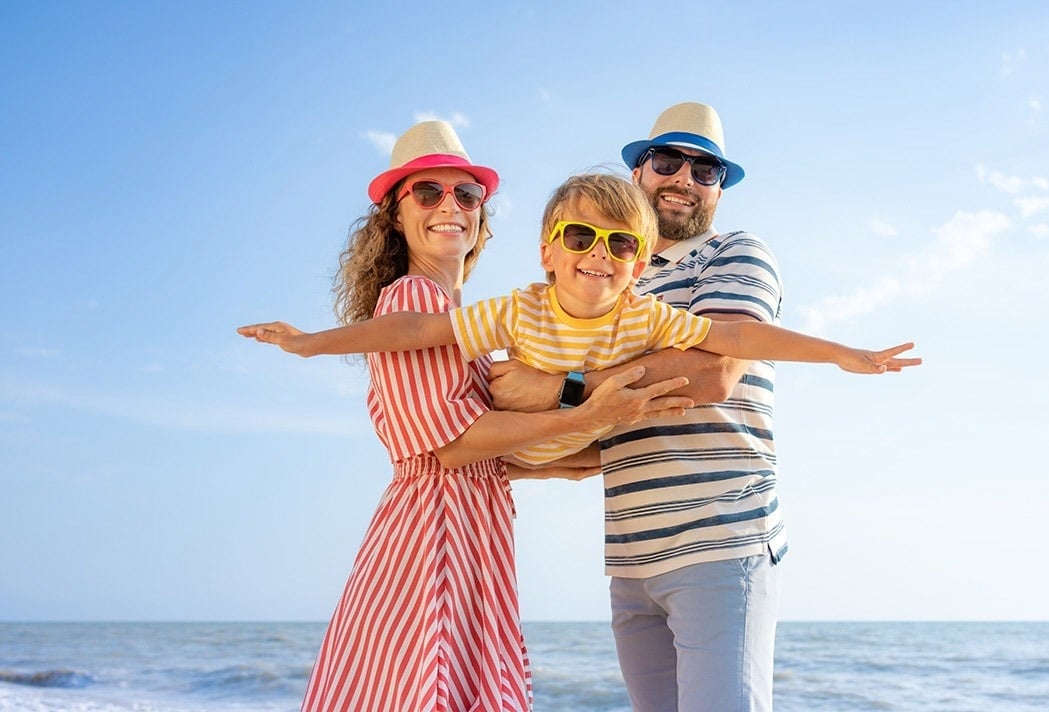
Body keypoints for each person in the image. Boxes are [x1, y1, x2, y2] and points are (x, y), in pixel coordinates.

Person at [239, 120, 693, 712]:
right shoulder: (412, 300)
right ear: (395, 217)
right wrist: (581, 414)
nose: (449, 206)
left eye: (467, 194)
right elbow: (450, 447)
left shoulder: (456, 314)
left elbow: (479, 454)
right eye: (427, 192)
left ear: (481, 213)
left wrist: (566, 458)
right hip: (433, 537)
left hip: (466, 527)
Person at [486, 102, 907, 711]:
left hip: (722, 539)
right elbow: (610, 432)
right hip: (631, 555)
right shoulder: (620, 282)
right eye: (667, 161)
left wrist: (559, 387)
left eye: (705, 170)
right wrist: (515, 461)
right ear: (639, 173)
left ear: (718, 190)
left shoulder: (735, 252)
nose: (684, 178)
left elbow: (715, 372)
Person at [240, 173, 918, 469]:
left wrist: (840, 353)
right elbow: (416, 332)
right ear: (547, 253)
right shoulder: (518, 310)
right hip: (511, 459)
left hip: (567, 456)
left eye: (622, 245)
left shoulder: (644, 315)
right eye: (579, 238)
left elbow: (737, 336)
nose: (600, 255)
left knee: (623, 426)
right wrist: (310, 343)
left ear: (640, 264)